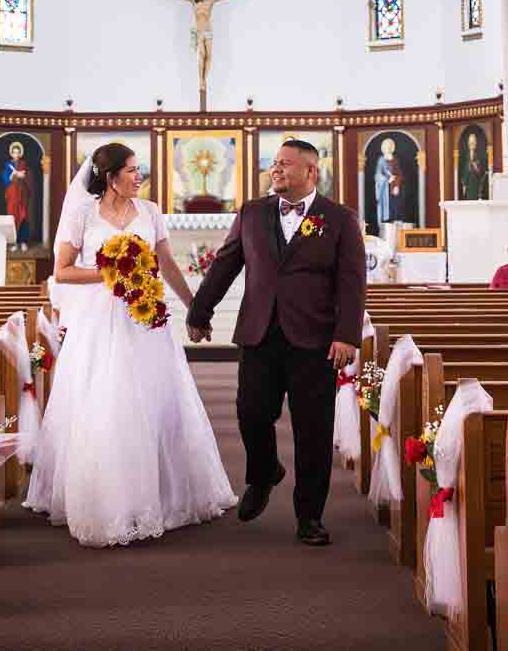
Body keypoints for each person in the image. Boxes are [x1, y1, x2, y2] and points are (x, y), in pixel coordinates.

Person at [26, 143, 235, 547]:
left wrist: (196, 308)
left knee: (156, 400)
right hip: (100, 323)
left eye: (140, 171)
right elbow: (63, 273)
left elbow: (168, 264)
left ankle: (164, 496)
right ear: (110, 178)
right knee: (106, 401)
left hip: (145, 320)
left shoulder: (151, 212)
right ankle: (106, 498)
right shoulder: (83, 215)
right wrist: (111, 273)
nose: (140, 177)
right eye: (132, 171)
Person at [188, 137, 367, 547]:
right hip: (260, 332)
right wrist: (200, 312)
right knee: (251, 412)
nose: (277, 169)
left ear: (311, 171)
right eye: (274, 163)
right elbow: (226, 264)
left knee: (313, 431)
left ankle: (310, 517)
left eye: (286, 164)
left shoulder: (338, 219)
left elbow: (352, 281)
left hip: (316, 339)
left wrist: (346, 334)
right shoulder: (252, 213)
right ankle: (264, 470)